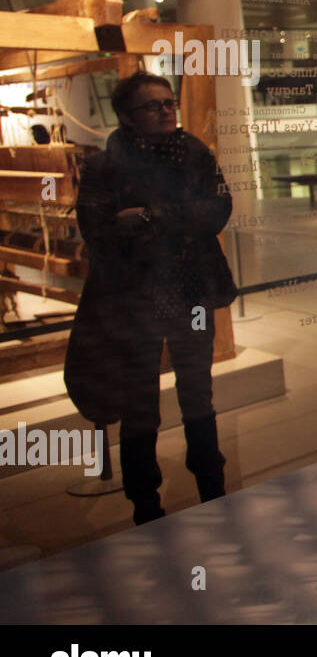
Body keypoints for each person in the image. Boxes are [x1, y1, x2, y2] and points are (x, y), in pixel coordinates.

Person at [65, 71, 236, 525]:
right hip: (134, 300)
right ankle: (146, 507)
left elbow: (218, 209)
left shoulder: (194, 153)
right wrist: (179, 220)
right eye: (152, 106)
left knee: (198, 394)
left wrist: (149, 217)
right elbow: (99, 232)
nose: (165, 111)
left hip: (191, 293)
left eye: (168, 103)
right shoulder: (104, 167)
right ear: (127, 116)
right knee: (140, 406)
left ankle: (213, 491)